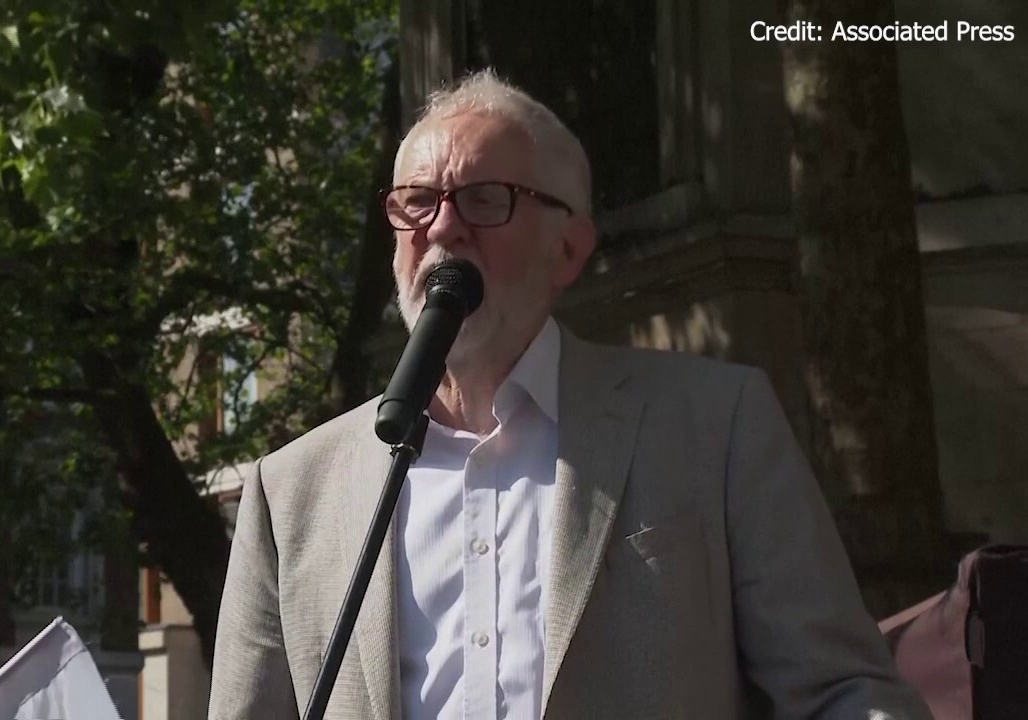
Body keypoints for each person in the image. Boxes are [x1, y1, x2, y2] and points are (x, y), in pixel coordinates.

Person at [209, 69, 932, 719]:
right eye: (417, 202)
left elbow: (843, 691)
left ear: (569, 249)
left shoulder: (714, 425)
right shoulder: (294, 490)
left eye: (486, 200)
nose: (444, 227)